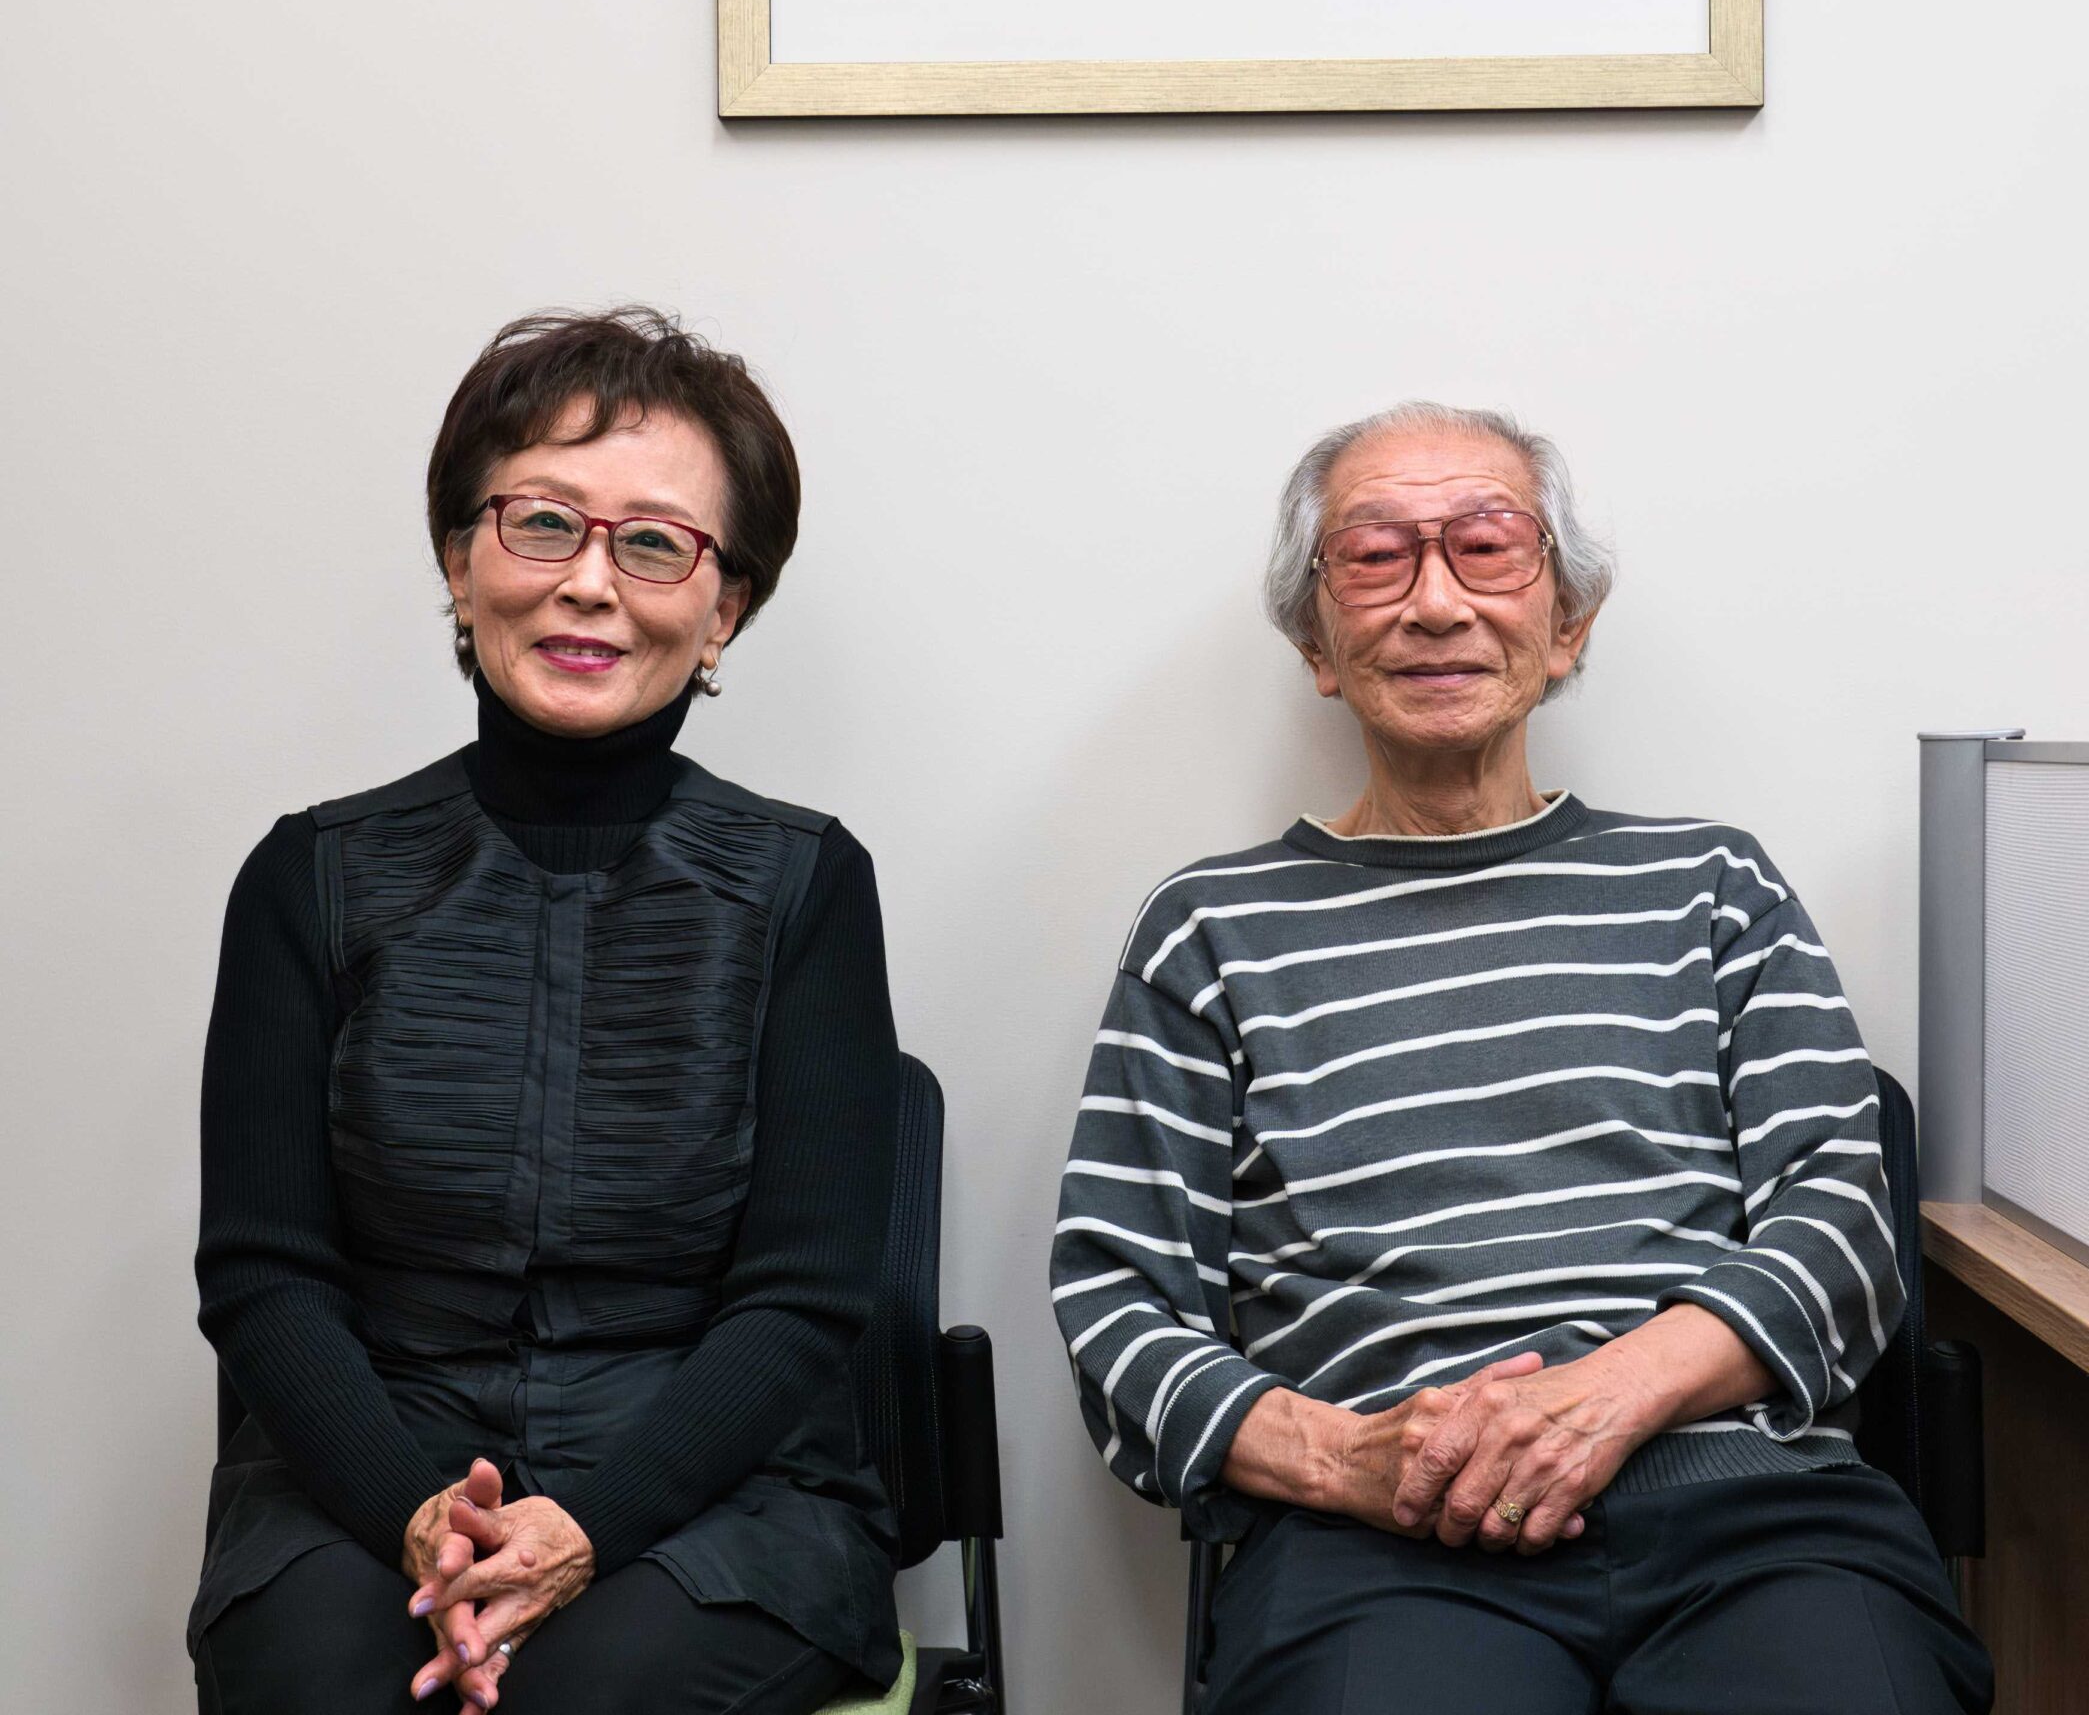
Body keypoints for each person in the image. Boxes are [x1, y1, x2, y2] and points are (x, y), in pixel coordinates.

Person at [1053, 402, 1991, 1713]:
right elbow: (1116, 1303)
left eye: (1487, 549)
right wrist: (1344, 1462)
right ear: (1313, 642)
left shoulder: (1707, 884)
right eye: (1374, 558)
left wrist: (1604, 1399)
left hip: (1743, 1510)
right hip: (1382, 1537)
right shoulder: (1209, 928)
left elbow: (1843, 1226)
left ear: (1568, 625)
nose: (1433, 603)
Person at [191, 308, 901, 1714]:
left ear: (725, 609)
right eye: (542, 525)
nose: (591, 584)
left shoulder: (806, 885)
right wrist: (420, 1518)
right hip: (363, 1485)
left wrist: (580, 1532)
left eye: (652, 543)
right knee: (333, 1684)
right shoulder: (308, 877)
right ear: (461, 564)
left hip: (719, 1502)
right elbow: (264, 1277)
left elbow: (803, 1298)